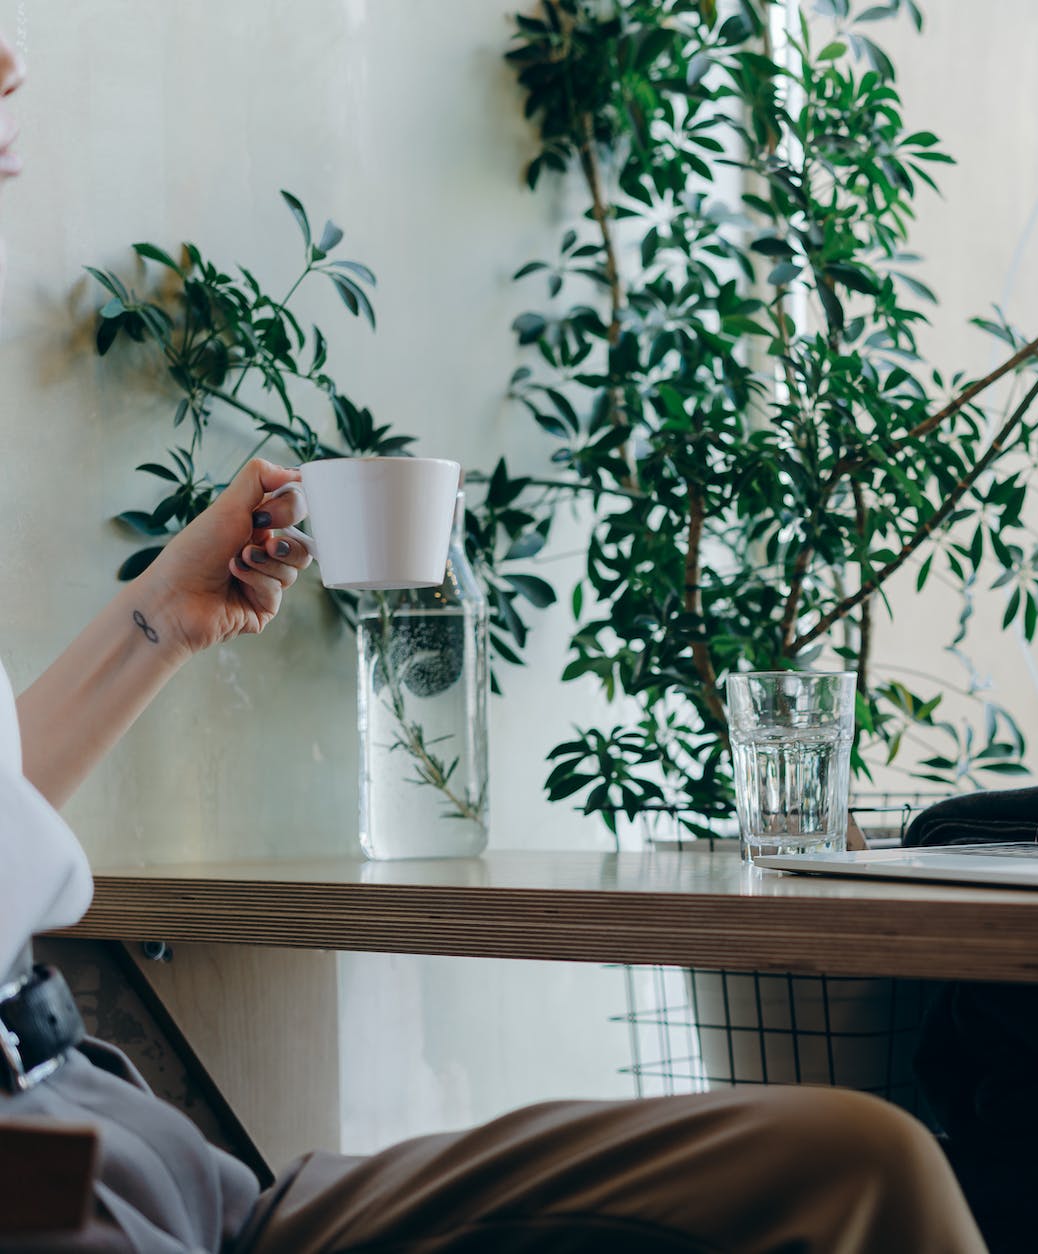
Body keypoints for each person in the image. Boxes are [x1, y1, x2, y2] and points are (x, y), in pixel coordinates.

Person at [0, 31, 985, 1254]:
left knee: (858, 1163)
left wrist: (159, 618)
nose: (9, 64)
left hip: (127, 1130)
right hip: (40, 1187)